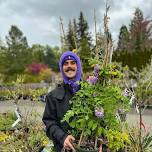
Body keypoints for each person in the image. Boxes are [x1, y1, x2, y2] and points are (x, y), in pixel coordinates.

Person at [42, 51, 82, 152]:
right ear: (62, 68)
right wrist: (63, 137)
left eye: (73, 63)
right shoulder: (53, 96)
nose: (69, 66)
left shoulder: (89, 93)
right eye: (66, 63)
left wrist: (99, 142)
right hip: (63, 148)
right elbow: (49, 123)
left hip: (87, 145)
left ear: (78, 66)